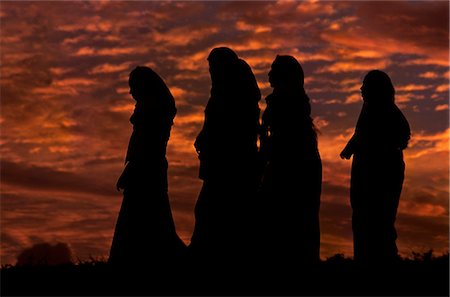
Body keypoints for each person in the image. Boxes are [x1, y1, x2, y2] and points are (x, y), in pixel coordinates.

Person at [189, 47, 261, 270]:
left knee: (215, 211)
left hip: (231, 165)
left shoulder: (235, 94)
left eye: (213, 67)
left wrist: (210, 137)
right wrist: (204, 136)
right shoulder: (221, 91)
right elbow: (213, 122)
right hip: (221, 163)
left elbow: (229, 127)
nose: (211, 72)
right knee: (212, 211)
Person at [109, 66, 186, 269]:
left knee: (150, 221)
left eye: (133, 87)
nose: (130, 92)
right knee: (151, 221)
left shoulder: (153, 112)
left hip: (147, 170)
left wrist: (131, 169)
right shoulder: (153, 108)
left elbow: (147, 145)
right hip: (147, 168)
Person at [340, 70, 410, 264]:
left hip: (380, 176)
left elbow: (401, 136)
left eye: (366, 86)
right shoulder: (369, 113)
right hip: (366, 176)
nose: (361, 90)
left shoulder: (388, 113)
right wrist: (353, 146)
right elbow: (360, 134)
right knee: (364, 225)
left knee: (379, 227)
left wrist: (372, 147)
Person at [259, 55, 322, 268]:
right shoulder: (283, 100)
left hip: (292, 167)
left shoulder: (289, 103)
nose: (269, 74)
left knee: (292, 223)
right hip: (284, 163)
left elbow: (284, 140)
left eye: (274, 70)